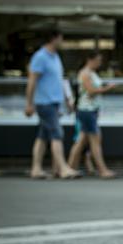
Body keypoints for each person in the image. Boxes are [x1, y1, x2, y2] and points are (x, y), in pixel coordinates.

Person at [25, 30, 80, 179]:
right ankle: (62, 168)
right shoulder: (40, 57)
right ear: (53, 38)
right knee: (57, 133)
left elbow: (60, 80)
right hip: (45, 102)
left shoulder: (55, 57)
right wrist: (29, 103)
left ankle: (36, 168)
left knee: (43, 136)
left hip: (54, 102)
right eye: (61, 38)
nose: (62, 42)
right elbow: (32, 80)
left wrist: (67, 99)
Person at [67, 53, 116, 178]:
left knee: (81, 141)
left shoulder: (91, 73)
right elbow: (91, 91)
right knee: (95, 140)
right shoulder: (85, 73)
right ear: (90, 60)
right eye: (98, 60)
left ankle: (69, 168)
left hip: (90, 110)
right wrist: (108, 88)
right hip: (86, 110)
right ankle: (102, 170)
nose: (99, 63)